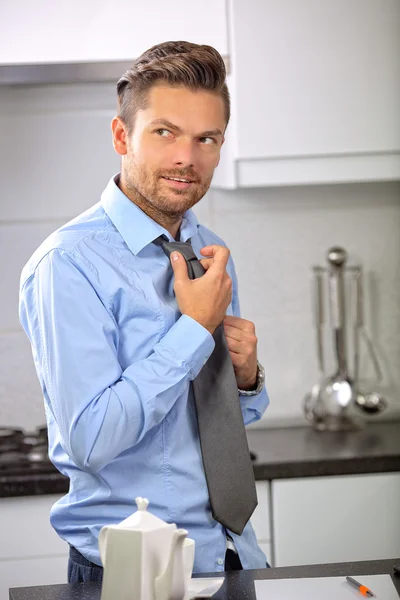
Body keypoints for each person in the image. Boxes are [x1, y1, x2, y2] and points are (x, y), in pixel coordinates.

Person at [19, 41, 270, 584]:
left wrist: (247, 378)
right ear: (120, 136)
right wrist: (193, 331)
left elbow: (224, 424)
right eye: (165, 132)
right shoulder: (68, 264)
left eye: (207, 138)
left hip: (236, 555)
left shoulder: (208, 248)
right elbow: (89, 440)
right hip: (136, 574)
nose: (187, 157)